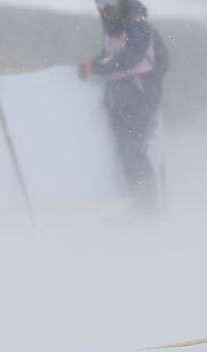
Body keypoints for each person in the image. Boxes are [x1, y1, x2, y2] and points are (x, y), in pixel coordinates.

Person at [79, 0, 168, 214]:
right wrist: (91, 64)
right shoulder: (112, 26)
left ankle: (147, 210)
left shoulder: (137, 24)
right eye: (99, 5)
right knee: (126, 153)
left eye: (107, 5)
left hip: (139, 97)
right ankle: (140, 206)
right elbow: (112, 56)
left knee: (134, 152)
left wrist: (98, 67)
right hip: (120, 97)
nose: (103, 10)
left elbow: (130, 57)